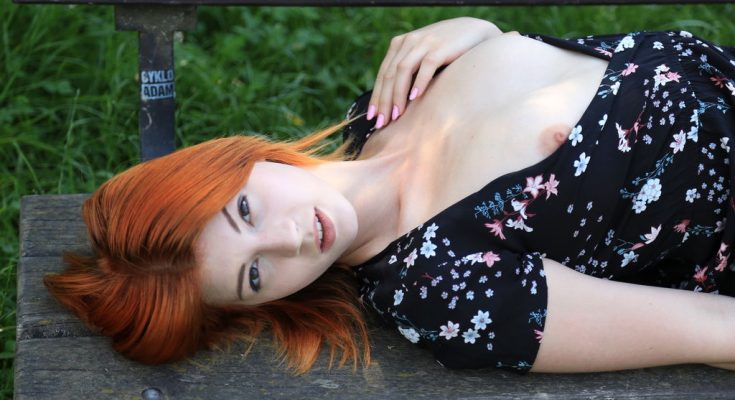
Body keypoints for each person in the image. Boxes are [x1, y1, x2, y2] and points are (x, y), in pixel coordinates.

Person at [45, 17, 735, 374]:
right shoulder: (440, 289)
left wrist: (487, 38)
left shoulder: (381, 106)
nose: (289, 240)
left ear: (239, 161)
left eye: (245, 212)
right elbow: (712, 331)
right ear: (262, 305)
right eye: (255, 276)